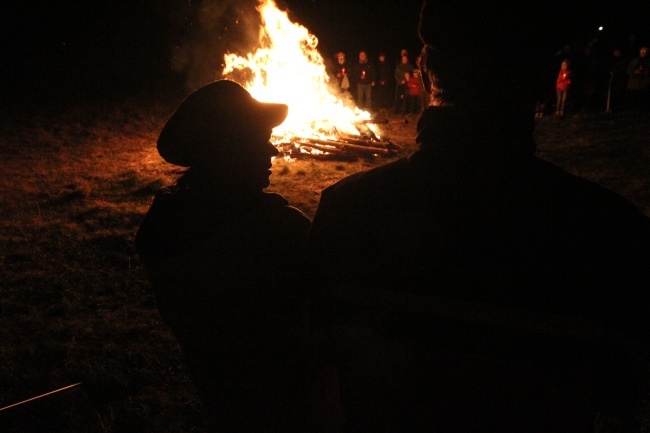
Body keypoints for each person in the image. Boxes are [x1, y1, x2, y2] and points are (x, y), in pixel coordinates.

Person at [306, 2, 650, 432]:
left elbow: (319, 380)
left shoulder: (347, 211)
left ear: (428, 74)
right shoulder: (608, 232)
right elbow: (620, 398)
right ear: (542, 82)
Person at [135, 79, 341, 432]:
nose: (272, 151)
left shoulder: (160, 226)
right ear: (225, 150)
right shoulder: (276, 230)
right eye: (257, 140)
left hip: (219, 395)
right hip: (292, 403)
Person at [626, 46, 649, 111]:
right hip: (634, 82)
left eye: (644, 51)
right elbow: (629, 70)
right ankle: (632, 109)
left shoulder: (648, 61)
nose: (643, 53)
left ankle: (641, 109)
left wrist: (643, 73)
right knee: (633, 95)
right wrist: (634, 72)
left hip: (643, 82)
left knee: (642, 96)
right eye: (641, 51)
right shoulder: (634, 60)